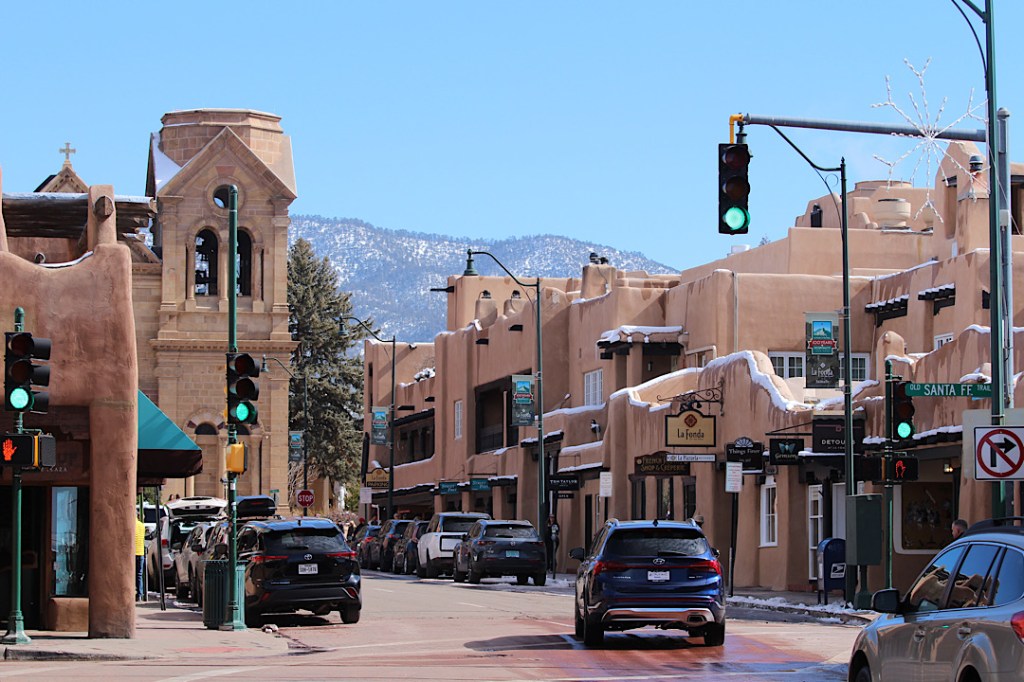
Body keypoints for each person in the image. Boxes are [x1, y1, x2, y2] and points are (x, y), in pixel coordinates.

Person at [135, 515, 146, 600]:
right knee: (139, 574)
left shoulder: (130, 524)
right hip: (140, 552)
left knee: (130, 574)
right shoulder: (142, 526)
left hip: (132, 553)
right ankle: (139, 594)